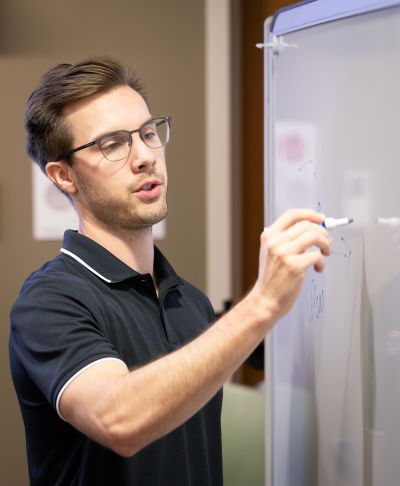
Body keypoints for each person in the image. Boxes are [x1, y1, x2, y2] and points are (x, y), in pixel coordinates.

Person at [9, 56, 331, 486]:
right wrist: (264, 303)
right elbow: (116, 418)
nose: (144, 156)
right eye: (113, 144)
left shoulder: (190, 303)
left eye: (147, 133)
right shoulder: (48, 301)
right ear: (63, 175)